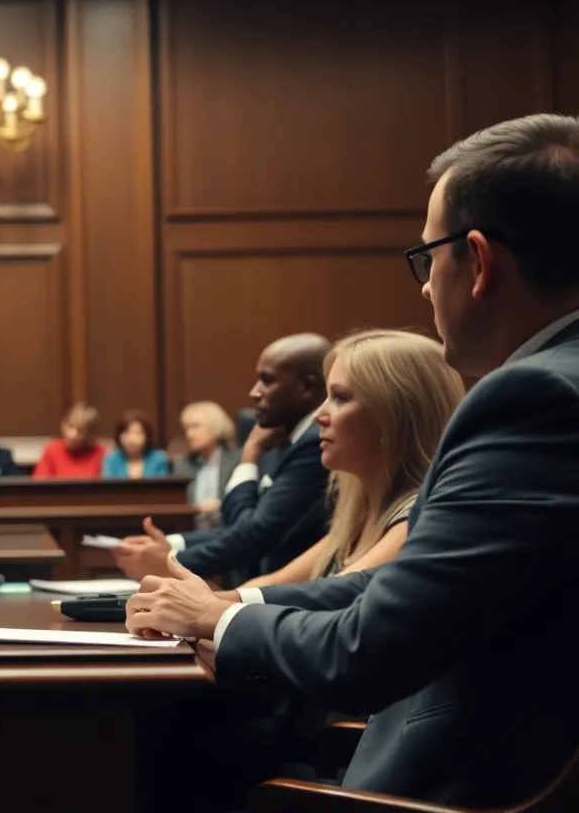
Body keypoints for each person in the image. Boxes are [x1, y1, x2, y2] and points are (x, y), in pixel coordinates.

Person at [125, 114, 579, 808]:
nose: (425, 287)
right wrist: (220, 606)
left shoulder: (536, 398)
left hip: (455, 792)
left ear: (479, 262)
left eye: (428, 259)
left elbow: (369, 650)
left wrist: (217, 621)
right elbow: (394, 590)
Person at [241, 329, 464, 587]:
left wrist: (208, 608)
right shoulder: (358, 512)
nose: (318, 416)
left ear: (395, 415)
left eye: (340, 398)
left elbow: (324, 598)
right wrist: (204, 603)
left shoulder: (416, 516)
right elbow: (273, 584)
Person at [112, 334, 331, 583]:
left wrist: (168, 561)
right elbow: (240, 524)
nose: (254, 392)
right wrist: (171, 544)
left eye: (267, 381)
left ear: (307, 387)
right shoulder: (283, 440)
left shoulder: (314, 443)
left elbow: (252, 534)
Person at [170, 401, 241, 525]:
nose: (189, 434)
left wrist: (220, 506)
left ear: (215, 428)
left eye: (195, 426)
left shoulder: (236, 460)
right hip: (192, 533)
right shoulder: (182, 465)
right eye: (186, 428)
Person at [32, 401, 106, 478]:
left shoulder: (99, 453)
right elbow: (40, 485)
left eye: (80, 431)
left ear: (89, 435)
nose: (72, 435)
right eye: (70, 426)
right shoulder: (52, 450)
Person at [101, 410, 170, 478]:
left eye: (138, 433)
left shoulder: (158, 458)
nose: (132, 439)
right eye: (127, 432)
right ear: (119, 435)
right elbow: (107, 487)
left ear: (147, 436)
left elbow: (161, 487)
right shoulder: (111, 459)